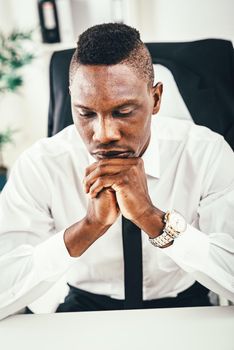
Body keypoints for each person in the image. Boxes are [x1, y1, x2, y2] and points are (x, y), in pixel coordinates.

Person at [0, 23, 234, 319]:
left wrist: (153, 219)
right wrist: (87, 228)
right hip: (85, 310)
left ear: (156, 99)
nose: (104, 134)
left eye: (123, 112)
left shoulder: (206, 153)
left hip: (186, 306)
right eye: (85, 113)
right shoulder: (42, 163)